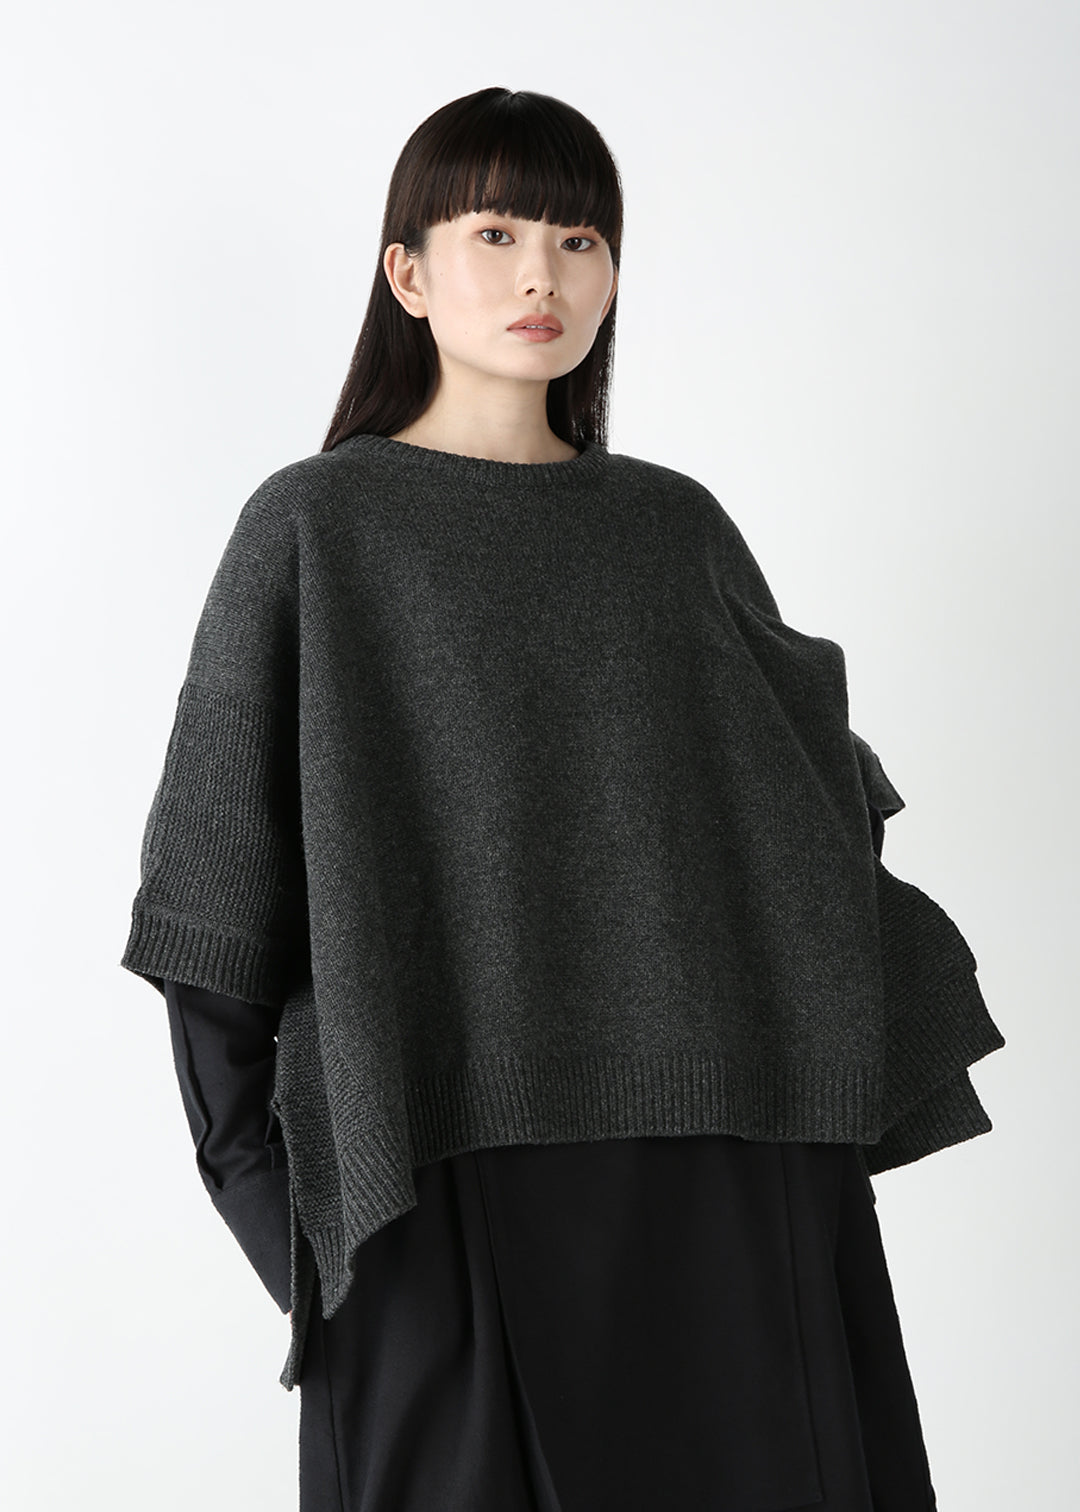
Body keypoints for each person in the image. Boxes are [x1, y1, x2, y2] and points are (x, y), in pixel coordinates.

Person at [121, 87, 1005, 1511]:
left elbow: (801, 831)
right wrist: (285, 1208)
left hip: (731, 1173)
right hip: (442, 1169)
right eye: (496, 232)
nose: (543, 273)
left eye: (580, 240)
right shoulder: (317, 526)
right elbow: (220, 891)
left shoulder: (672, 526)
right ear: (408, 273)